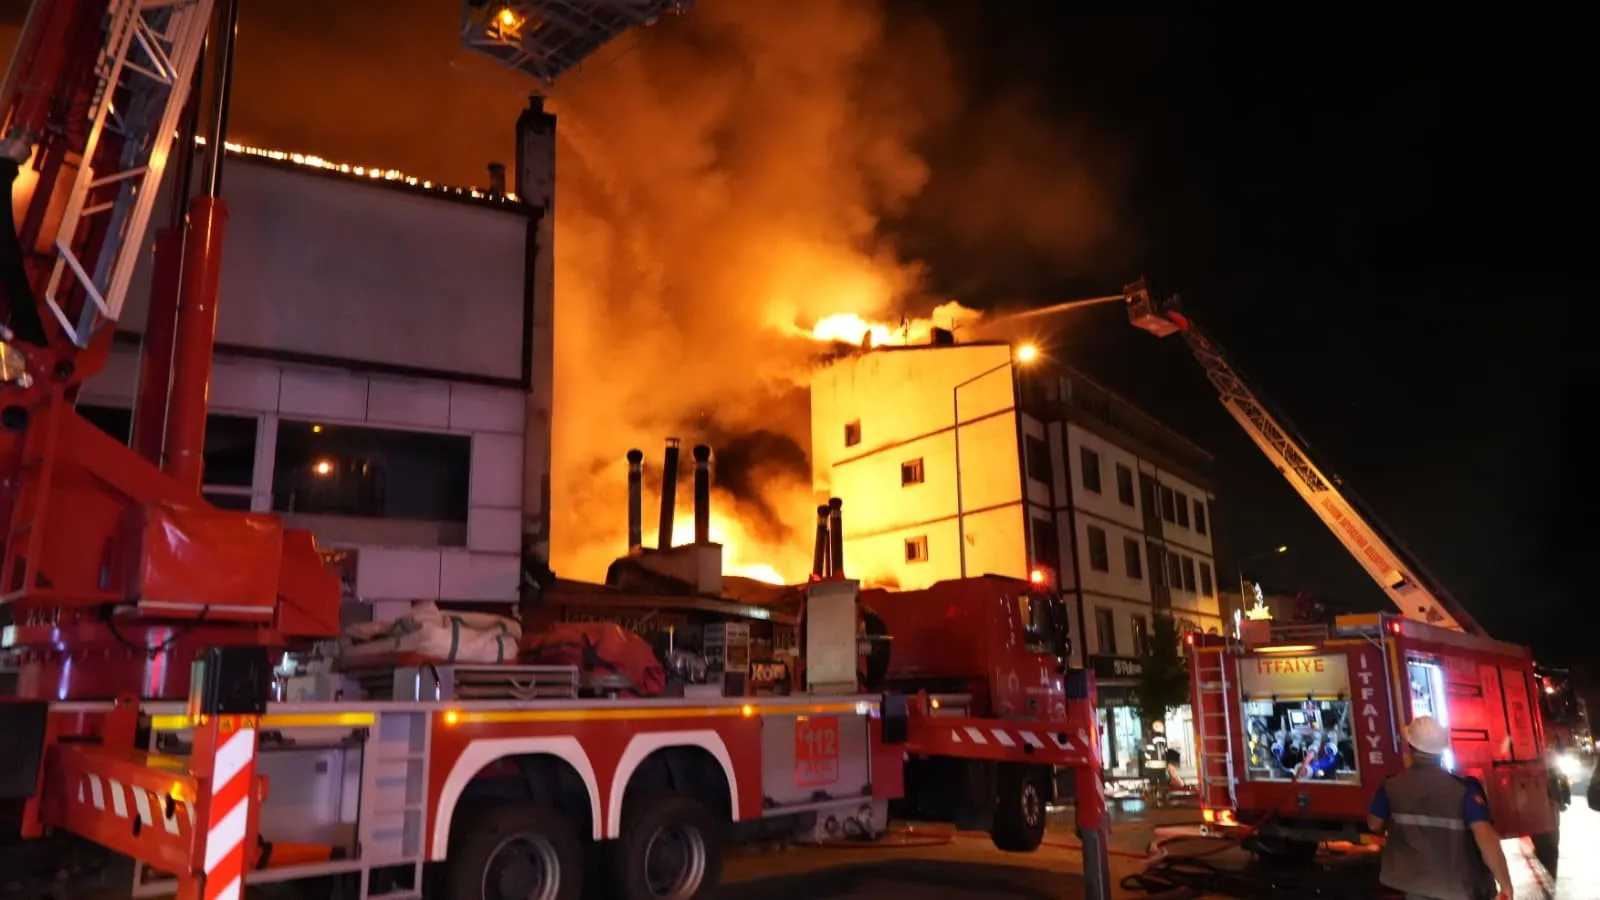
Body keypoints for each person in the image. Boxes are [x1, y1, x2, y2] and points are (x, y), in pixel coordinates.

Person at [1366, 716, 1512, 900]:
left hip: (1413, 887)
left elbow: (1373, 825)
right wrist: (1505, 884)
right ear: (1442, 751)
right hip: (1454, 889)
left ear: (1410, 749)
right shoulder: (1463, 790)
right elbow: (1487, 839)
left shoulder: (1390, 786)